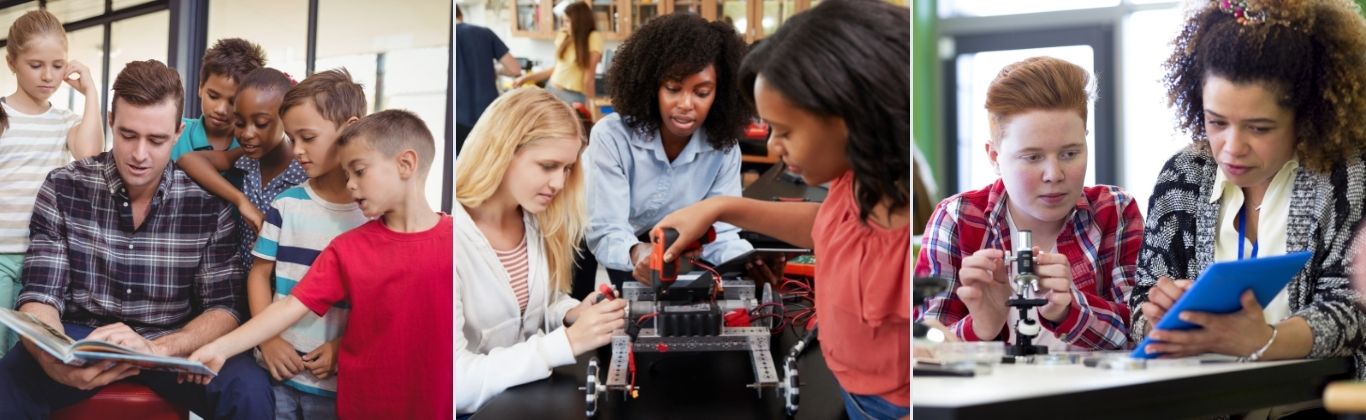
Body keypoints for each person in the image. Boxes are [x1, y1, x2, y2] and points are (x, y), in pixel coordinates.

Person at [651, 0, 909, 417]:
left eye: (784, 130)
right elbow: (825, 223)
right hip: (852, 387)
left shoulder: (906, 237)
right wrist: (720, 207)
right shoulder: (856, 180)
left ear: (855, 118)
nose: (771, 146)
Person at [1129, 1, 1366, 414]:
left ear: (1307, 116)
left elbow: (1353, 310)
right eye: (1216, 122)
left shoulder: (1347, 176)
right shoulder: (1184, 175)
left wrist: (1263, 340)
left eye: (1259, 128)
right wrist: (1161, 318)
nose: (1232, 147)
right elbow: (1139, 306)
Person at [0, 59, 271, 419]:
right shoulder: (63, 186)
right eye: (128, 135)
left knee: (249, 390)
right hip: (81, 335)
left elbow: (223, 308)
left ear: (177, 133)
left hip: (172, 341)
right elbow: (39, 296)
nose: (140, 155)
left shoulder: (209, 204)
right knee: (8, 382)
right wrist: (51, 358)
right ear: (110, 121)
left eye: (157, 140)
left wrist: (158, 348)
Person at [187, 110, 453, 419]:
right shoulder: (347, 249)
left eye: (359, 171)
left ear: (405, 164)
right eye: (347, 173)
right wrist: (221, 347)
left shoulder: (455, 243)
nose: (351, 184)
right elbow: (289, 307)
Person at [916, 57, 1142, 351]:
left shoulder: (1115, 210)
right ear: (994, 157)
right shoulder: (957, 218)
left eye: (1070, 153)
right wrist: (981, 326)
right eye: (1032, 157)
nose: (1054, 174)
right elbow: (920, 346)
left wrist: (1070, 311)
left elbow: (1141, 334)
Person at [454, 88, 625, 416]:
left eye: (567, 169)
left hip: (529, 402)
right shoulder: (450, 239)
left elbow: (531, 309)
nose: (559, 183)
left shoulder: (534, 219)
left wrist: (569, 313)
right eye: (548, 166)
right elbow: (456, 384)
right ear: (502, 150)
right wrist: (567, 343)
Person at [584, 12, 776, 296]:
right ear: (652, 87)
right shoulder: (612, 137)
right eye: (673, 89)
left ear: (719, 94)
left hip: (674, 246)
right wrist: (638, 253)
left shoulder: (723, 148)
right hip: (614, 239)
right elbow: (607, 229)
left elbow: (721, 233)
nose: (686, 104)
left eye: (701, 92)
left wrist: (747, 262)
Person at [249, 68, 368, 419]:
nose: (297, 150)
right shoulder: (285, 205)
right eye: (292, 138)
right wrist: (266, 340)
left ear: (349, 128)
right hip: (277, 374)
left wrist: (342, 348)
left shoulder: (371, 213)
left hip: (336, 383)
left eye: (308, 137)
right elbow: (259, 275)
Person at [0, 9, 104, 357]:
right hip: (0, 256)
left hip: (44, 259)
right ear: (11, 61)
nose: (48, 76)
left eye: (58, 65)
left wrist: (91, 91)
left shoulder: (64, 121)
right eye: (36, 65)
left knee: (31, 356)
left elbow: (90, 155)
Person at [179, 68, 308, 274]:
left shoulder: (303, 168)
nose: (247, 133)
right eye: (239, 123)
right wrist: (241, 201)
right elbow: (188, 159)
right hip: (242, 285)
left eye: (261, 124)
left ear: (286, 119)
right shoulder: (244, 159)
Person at [168, 38, 266, 164]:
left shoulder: (253, 146)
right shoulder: (173, 133)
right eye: (213, 96)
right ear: (201, 87)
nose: (221, 109)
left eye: (233, 102)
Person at [514, 1, 602, 120]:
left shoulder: (593, 37)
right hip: (551, 89)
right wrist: (525, 78)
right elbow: (557, 69)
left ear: (579, 21)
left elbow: (589, 77)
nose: (564, 25)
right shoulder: (564, 35)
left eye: (567, 21)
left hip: (573, 97)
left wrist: (591, 104)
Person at [456, 5, 522, 153]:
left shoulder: (447, 38)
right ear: (461, 14)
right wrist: (495, 69)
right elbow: (515, 69)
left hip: (457, 118)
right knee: (489, 164)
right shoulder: (483, 33)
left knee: (462, 166)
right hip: (489, 115)